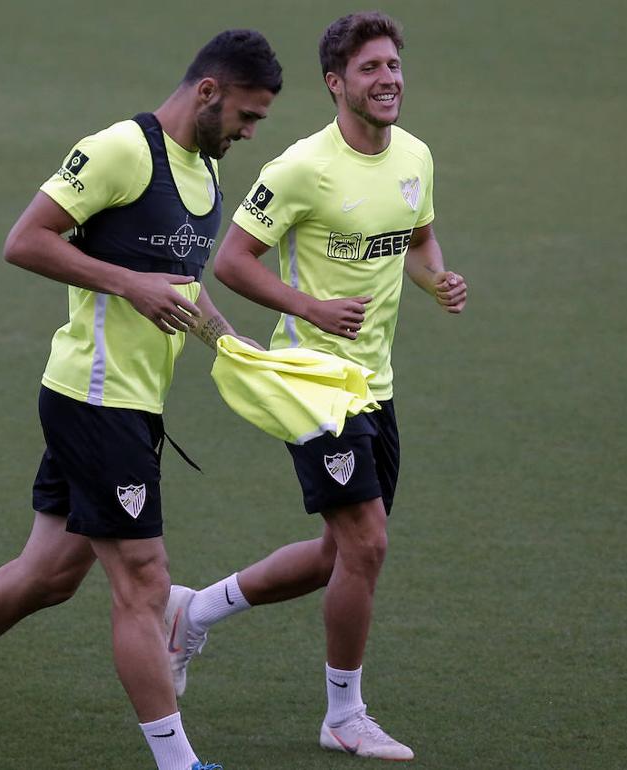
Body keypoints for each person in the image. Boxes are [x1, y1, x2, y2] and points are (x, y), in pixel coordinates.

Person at [0, 30, 282, 770]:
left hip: (132, 404)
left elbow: (180, 281)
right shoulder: (121, 150)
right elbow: (25, 240)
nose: (249, 132)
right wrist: (127, 283)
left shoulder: (206, 173)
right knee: (145, 585)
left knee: (46, 576)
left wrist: (239, 350)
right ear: (208, 91)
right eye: (247, 115)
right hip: (95, 398)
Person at [164, 12, 468, 761]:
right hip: (311, 383)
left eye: (393, 64)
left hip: (375, 383)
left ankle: (192, 613)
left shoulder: (417, 158)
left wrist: (438, 281)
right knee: (368, 542)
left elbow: (419, 237)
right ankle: (343, 715)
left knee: (342, 553)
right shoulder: (301, 167)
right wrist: (308, 307)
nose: (388, 78)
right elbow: (231, 262)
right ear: (337, 83)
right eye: (369, 68)